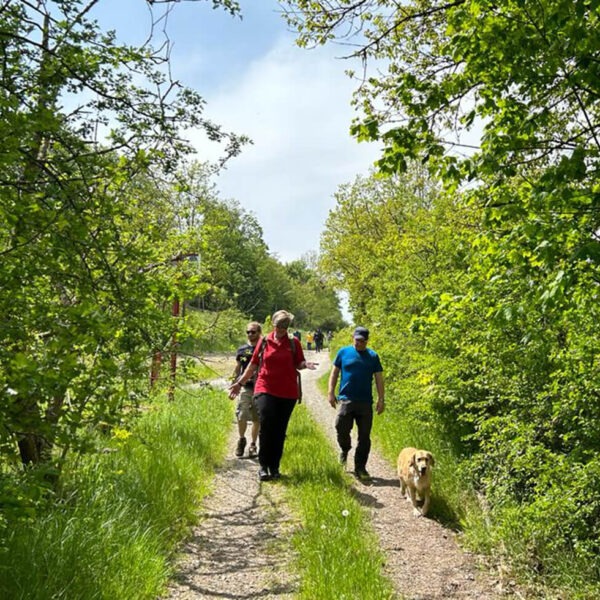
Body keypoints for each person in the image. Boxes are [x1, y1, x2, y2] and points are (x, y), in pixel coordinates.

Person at [228, 310, 318, 481]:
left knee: (279, 430)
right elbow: (253, 365)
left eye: (286, 326)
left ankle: (275, 467)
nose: (283, 329)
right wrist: (239, 383)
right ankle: (263, 466)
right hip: (265, 388)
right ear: (273, 325)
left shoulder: (294, 343)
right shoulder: (264, 342)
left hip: (287, 392)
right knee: (267, 424)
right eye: (280, 326)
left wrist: (306, 364)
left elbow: (298, 363)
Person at [327, 326, 385, 481]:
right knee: (341, 426)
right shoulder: (343, 352)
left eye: (362, 341)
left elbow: (379, 378)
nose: (358, 343)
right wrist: (331, 392)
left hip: (365, 402)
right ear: (353, 337)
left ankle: (360, 467)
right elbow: (334, 373)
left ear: (367, 341)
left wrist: (381, 399)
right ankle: (345, 450)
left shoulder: (373, 356)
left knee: (364, 436)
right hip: (346, 399)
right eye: (356, 339)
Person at [231, 322, 262, 458]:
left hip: (260, 387)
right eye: (248, 332)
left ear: (259, 333)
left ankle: (253, 444)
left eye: (253, 332)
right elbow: (238, 368)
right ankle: (242, 439)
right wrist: (233, 383)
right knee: (242, 414)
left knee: (256, 417)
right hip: (245, 386)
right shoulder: (242, 349)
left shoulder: (264, 349)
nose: (250, 334)